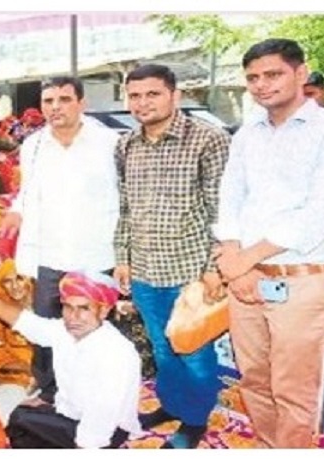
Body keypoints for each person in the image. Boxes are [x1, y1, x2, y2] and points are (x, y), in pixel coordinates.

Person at [213, 38, 324, 448]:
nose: (262, 85)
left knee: (292, 388)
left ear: (301, 73)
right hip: (246, 281)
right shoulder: (248, 133)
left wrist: (244, 259)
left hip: (301, 280)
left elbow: (322, 212)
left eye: (273, 74)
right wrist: (234, 259)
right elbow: (230, 198)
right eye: (253, 78)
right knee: (254, 380)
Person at [112, 63, 230, 448]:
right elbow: (125, 208)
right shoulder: (126, 145)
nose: (142, 103)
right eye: (134, 95)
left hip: (191, 272)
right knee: (162, 349)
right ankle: (173, 405)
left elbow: (221, 209)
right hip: (145, 271)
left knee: (194, 350)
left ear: (174, 95)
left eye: (153, 94)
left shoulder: (208, 139)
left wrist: (213, 268)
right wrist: (123, 257)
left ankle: (194, 421)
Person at [0, 76, 120, 405]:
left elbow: (125, 197)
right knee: (48, 325)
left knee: (95, 327)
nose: (55, 107)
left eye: (64, 99)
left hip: (96, 253)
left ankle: (97, 391)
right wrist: (15, 212)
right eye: (48, 101)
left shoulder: (109, 143)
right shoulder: (33, 145)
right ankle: (50, 391)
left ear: (82, 103)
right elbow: (28, 192)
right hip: (50, 253)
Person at [0, 270, 142, 448]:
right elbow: (28, 323)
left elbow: (103, 413)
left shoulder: (115, 353)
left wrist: (84, 445)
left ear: (104, 311)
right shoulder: (66, 331)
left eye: (84, 308)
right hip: (72, 412)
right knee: (22, 415)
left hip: (103, 432)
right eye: (68, 307)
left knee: (21, 421)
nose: (73, 316)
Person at [0, 259, 34, 387]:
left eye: (19, 278)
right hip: (20, 378)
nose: (15, 286)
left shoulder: (49, 307)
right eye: (7, 281)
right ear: (1, 285)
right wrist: (28, 369)